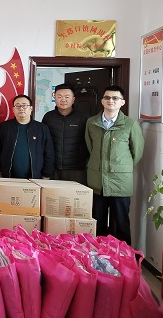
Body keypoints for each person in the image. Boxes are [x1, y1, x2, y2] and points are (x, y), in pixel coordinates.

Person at [85, 85, 144, 245]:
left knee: (121, 224)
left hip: (120, 182)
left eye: (115, 98)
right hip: (97, 181)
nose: (110, 100)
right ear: (102, 101)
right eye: (107, 97)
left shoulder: (130, 124)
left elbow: (137, 152)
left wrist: (121, 167)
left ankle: (125, 257)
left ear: (122, 102)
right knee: (97, 223)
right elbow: (90, 147)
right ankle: (99, 256)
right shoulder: (91, 123)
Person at [0, 94, 54, 179]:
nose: (21, 108)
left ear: (31, 108)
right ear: (13, 109)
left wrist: (46, 174)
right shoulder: (5, 127)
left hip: (35, 177)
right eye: (17, 106)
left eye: (24, 105)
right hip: (9, 176)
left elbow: (49, 152)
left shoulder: (42, 128)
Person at [42, 83, 90, 184]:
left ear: (73, 99)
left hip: (76, 168)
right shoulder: (48, 117)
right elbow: (43, 142)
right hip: (53, 168)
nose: (63, 100)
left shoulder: (83, 117)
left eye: (67, 97)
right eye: (59, 96)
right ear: (54, 98)